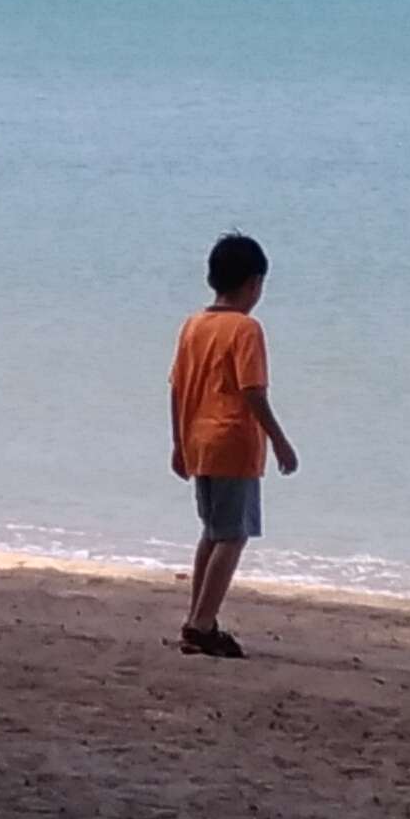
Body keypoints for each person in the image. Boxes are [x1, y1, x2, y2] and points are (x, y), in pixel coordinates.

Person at [167, 231, 297, 659]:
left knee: (213, 532)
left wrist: (178, 441)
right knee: (233, 535)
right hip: (232, 442)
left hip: (199, 440)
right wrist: (280, 441)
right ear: (253, 283)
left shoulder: (193, 326)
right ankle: (201, 623)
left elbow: (176, 388)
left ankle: (197, 618)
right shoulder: (245, 329)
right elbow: (253, 391)